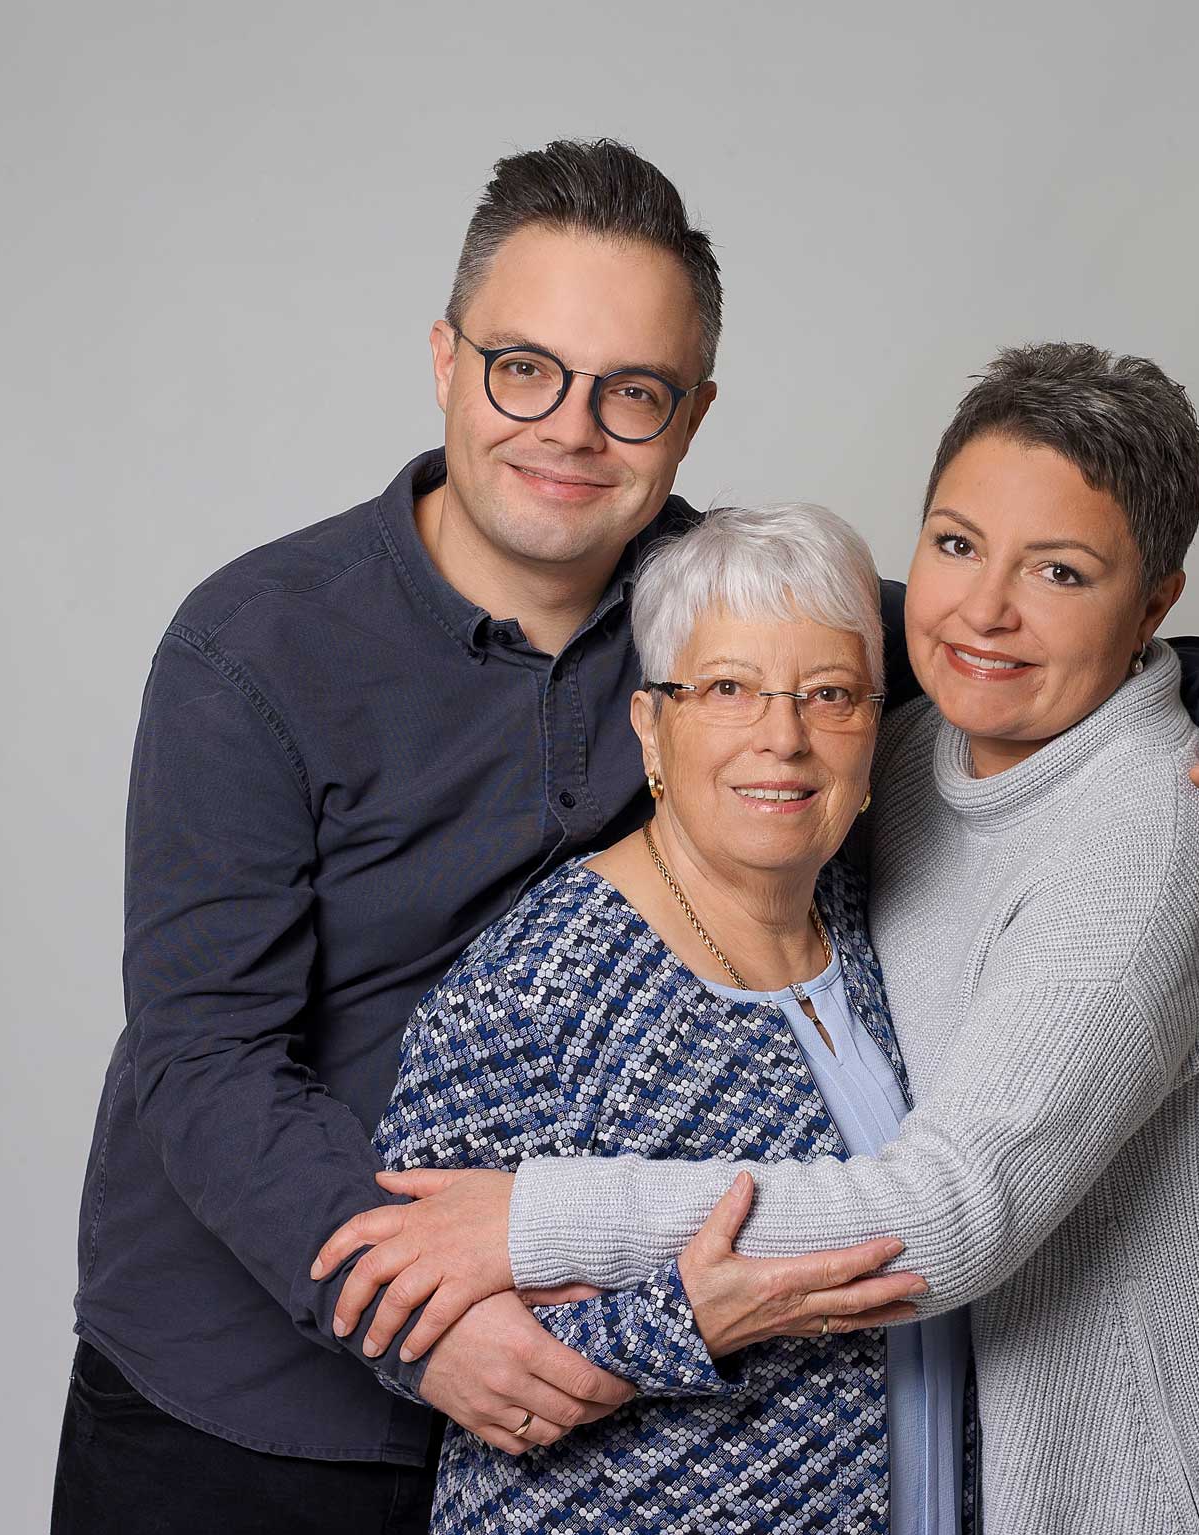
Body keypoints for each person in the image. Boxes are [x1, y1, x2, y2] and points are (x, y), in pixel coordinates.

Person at [57, 137, 1199, 1534]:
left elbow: (998, 633)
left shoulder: (732, 619)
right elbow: (205, 1059)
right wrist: (424, 1324)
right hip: (248, 1398)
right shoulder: (255, 647)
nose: (568, 430)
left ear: (692, 414)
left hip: (570, 1391)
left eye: (632, 391)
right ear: (444, 359)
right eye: (523, 368)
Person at [326, 345, 1199, 1533]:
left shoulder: (1153, 833)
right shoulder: (902, 765)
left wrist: (533, 1217)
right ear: (651, 719)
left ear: (1154, 603)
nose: (985, 609)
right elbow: (428, 1306)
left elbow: (945, 1216)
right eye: (955, 544)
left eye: (1059, 570)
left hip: (1136, 1495)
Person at [373, 502, 971, 1533]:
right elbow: (419, 1330)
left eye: (829, 694)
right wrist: (686, 1320)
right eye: (728, 688)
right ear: (650, 724)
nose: (782, 738)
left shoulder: (864, 918)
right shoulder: (535, 988)